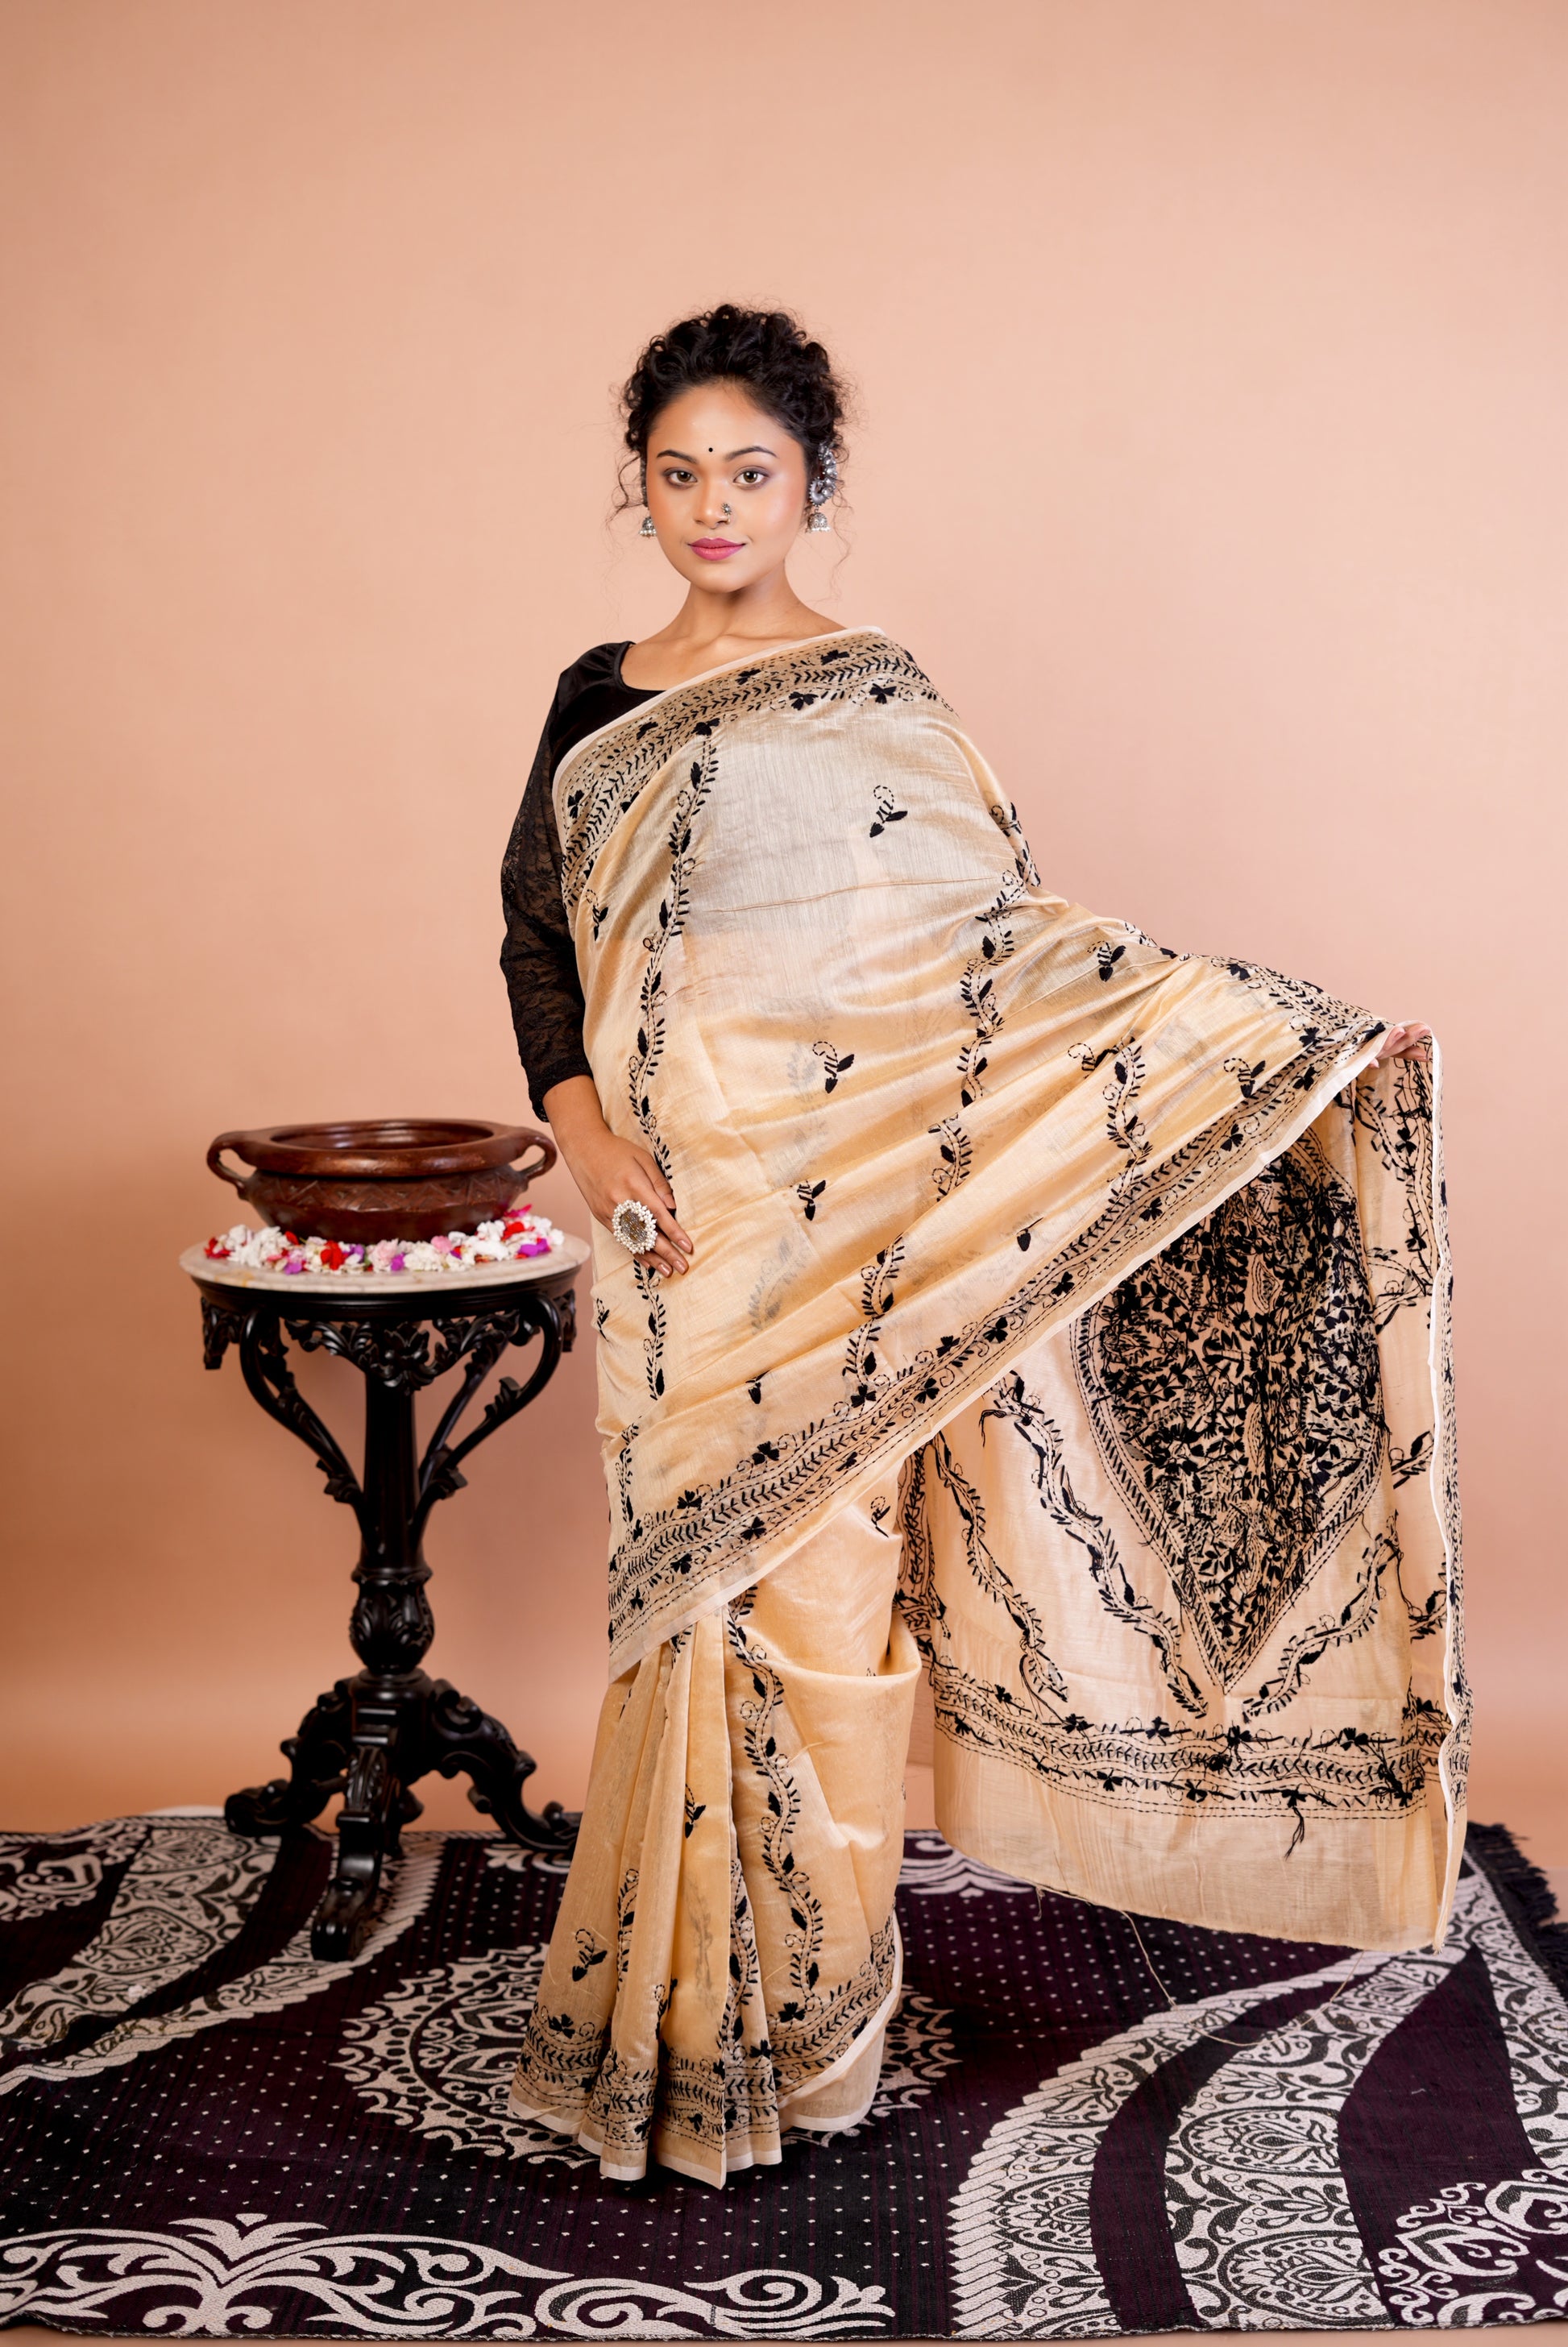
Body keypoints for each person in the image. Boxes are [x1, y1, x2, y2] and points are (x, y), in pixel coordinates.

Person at [499, 305, 1459, 2188]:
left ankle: (806, 2031)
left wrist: (1291, 1040)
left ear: (813, 483)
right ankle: (681, 2029)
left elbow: (1007, 959)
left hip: (857, 1231)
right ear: (640, 488)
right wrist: (584, 1130)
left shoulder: (876, 695)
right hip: (680, 1227)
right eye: (679, 474)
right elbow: (536, 937)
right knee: (696, 1605)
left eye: (749, 472)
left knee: (825, 1603)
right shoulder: (593, 702)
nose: (713, 506)